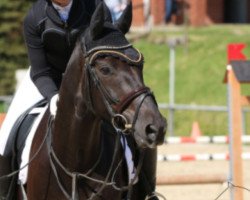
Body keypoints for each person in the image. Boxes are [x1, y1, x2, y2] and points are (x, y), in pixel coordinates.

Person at [0, 0, 100, 197]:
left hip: (88, 78)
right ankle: (5, 194)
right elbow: (39, 70)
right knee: (4, 137)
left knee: (130, 122)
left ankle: (146, 189)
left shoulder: (94, 6)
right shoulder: (35, 17)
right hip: (46, 80)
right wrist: (53, 96)